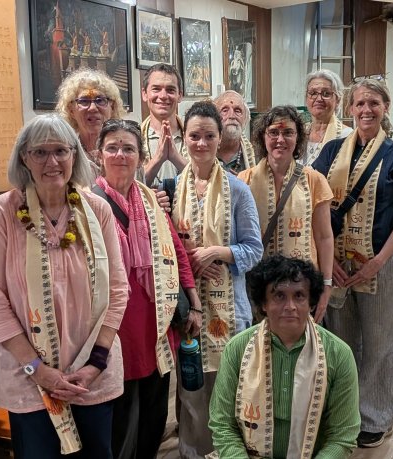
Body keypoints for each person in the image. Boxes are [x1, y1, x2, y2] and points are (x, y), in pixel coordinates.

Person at [0, 114, 128, 458]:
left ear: (74, 155)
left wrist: (95, 363)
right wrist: (37, 369)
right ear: (24, 158)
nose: (52, 162)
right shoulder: (2, 213)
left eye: (60, 151)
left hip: (91, 374)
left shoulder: (97, 210)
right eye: (40, 152)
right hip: (28, 377)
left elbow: (118, 290)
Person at [313, 78, 393, 448]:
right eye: (359, 103)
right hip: (336, 263)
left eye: (373, 103)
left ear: (385, 106)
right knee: (341, 341)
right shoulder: (331, 151)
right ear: (350, 108)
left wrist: (379, 261)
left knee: (377, 340)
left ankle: (376, 415)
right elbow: (316, 205)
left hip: (378, 262)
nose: (366, 110)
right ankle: (344, 413)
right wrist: (327, 261)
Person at [92, 119, 203, 458]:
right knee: (119, 417)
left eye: (129, 148)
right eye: (112, 148)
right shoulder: (88, 204)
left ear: (141, 157)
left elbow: (178, 253)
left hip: (157, 322)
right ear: (99, 155)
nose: (120, 155)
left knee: (154, 415)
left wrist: (194, 303)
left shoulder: (152, 202)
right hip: (114, 327)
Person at [171, 101, 263, 458]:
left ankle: (229, 452)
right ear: (184, 138)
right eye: (194, 135)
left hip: (229, 309)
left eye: (209, 136)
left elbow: (254, 250)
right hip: (188, 308)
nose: (201, 143)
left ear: (219, 137)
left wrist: (216, 253)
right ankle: (193, 452)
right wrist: (191, 262)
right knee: (191, 388)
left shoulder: (237, 190)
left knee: (229, 388)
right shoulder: (171, 189)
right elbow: (167, 249)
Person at [209, 255, 360, 458]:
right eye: (279, 296)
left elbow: (343, 435)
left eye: (299, 296)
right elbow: (222, 425)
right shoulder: (237, 349)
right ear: (263, 304)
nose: (290, 306)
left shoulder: (338, 354)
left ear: (311, 303)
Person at [238, 106, 334, 323]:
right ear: (263, 137)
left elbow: (324, 236)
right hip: (258, 286)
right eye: (273, 132)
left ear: (298, 138)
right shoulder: (244, 180)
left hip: (301, 286)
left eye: (288, 133)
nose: (280, 139)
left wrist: (326, 285)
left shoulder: (314, 180)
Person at [56, 67, 126, 175]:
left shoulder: (127, 150)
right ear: (71, 110)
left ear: (112, 106)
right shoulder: (64, 154)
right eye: (84, 101)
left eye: (100, 100)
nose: (93, 108)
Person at [140, 63, 188, 186]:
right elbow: (127, 185)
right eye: (156, 89)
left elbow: (206, 180)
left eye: (170, 90)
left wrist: (175, 158)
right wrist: (158, 158)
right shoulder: (134, 139)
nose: (163, 96)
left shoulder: (195, 137)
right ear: (144, 94)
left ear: (180, 95)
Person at [302, 69, 353, 166]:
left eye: (326, 94)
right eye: (313, 93)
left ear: (338, 100)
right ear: (306, 98)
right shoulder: (299, 133)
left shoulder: (347, 136)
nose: (319, 99)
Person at [213, 90, 256, 175]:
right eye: (225, 110)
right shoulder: (202, 151)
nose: (231, 116)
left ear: (246, 119)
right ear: (213, 118)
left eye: (237, 111)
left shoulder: (257, 157)